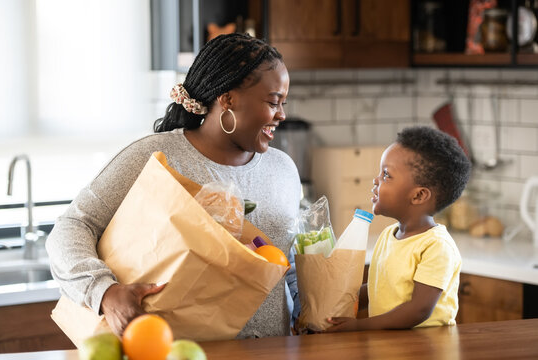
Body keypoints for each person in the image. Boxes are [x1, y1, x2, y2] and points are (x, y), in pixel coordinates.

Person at [46, 33, 301, 338]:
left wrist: (317, 309)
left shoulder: (283, 169)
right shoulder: (155, 157)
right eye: (273, 102)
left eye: (283, 103)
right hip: (175, 351)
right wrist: (105, 293)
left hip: (273, 352)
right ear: (228, 99)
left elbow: (292, 267)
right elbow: (71, 228)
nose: (282, 115)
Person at [326, 126, 471, 332]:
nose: (376, 181)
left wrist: (359, 326)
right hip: (391, 346)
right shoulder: (388, 235)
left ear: (419, 196)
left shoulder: (437, 246)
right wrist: (343, 298)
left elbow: (418, 310)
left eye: (386, 175)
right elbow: (380, 289)